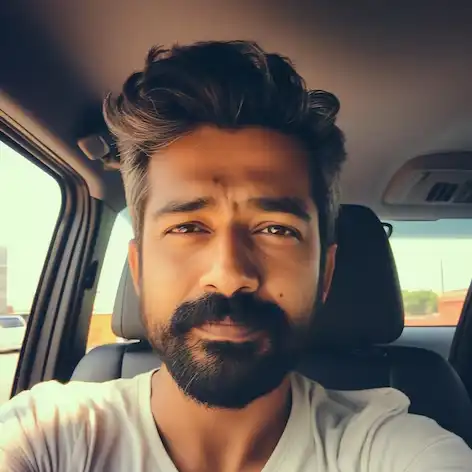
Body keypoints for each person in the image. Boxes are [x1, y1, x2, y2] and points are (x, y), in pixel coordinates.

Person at [1, 41, 471, 472]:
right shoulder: (51, 436)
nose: (228, 274)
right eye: (187, 227)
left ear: (324, 274)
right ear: (139, 268)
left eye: (276, 230)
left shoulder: (394, 449)